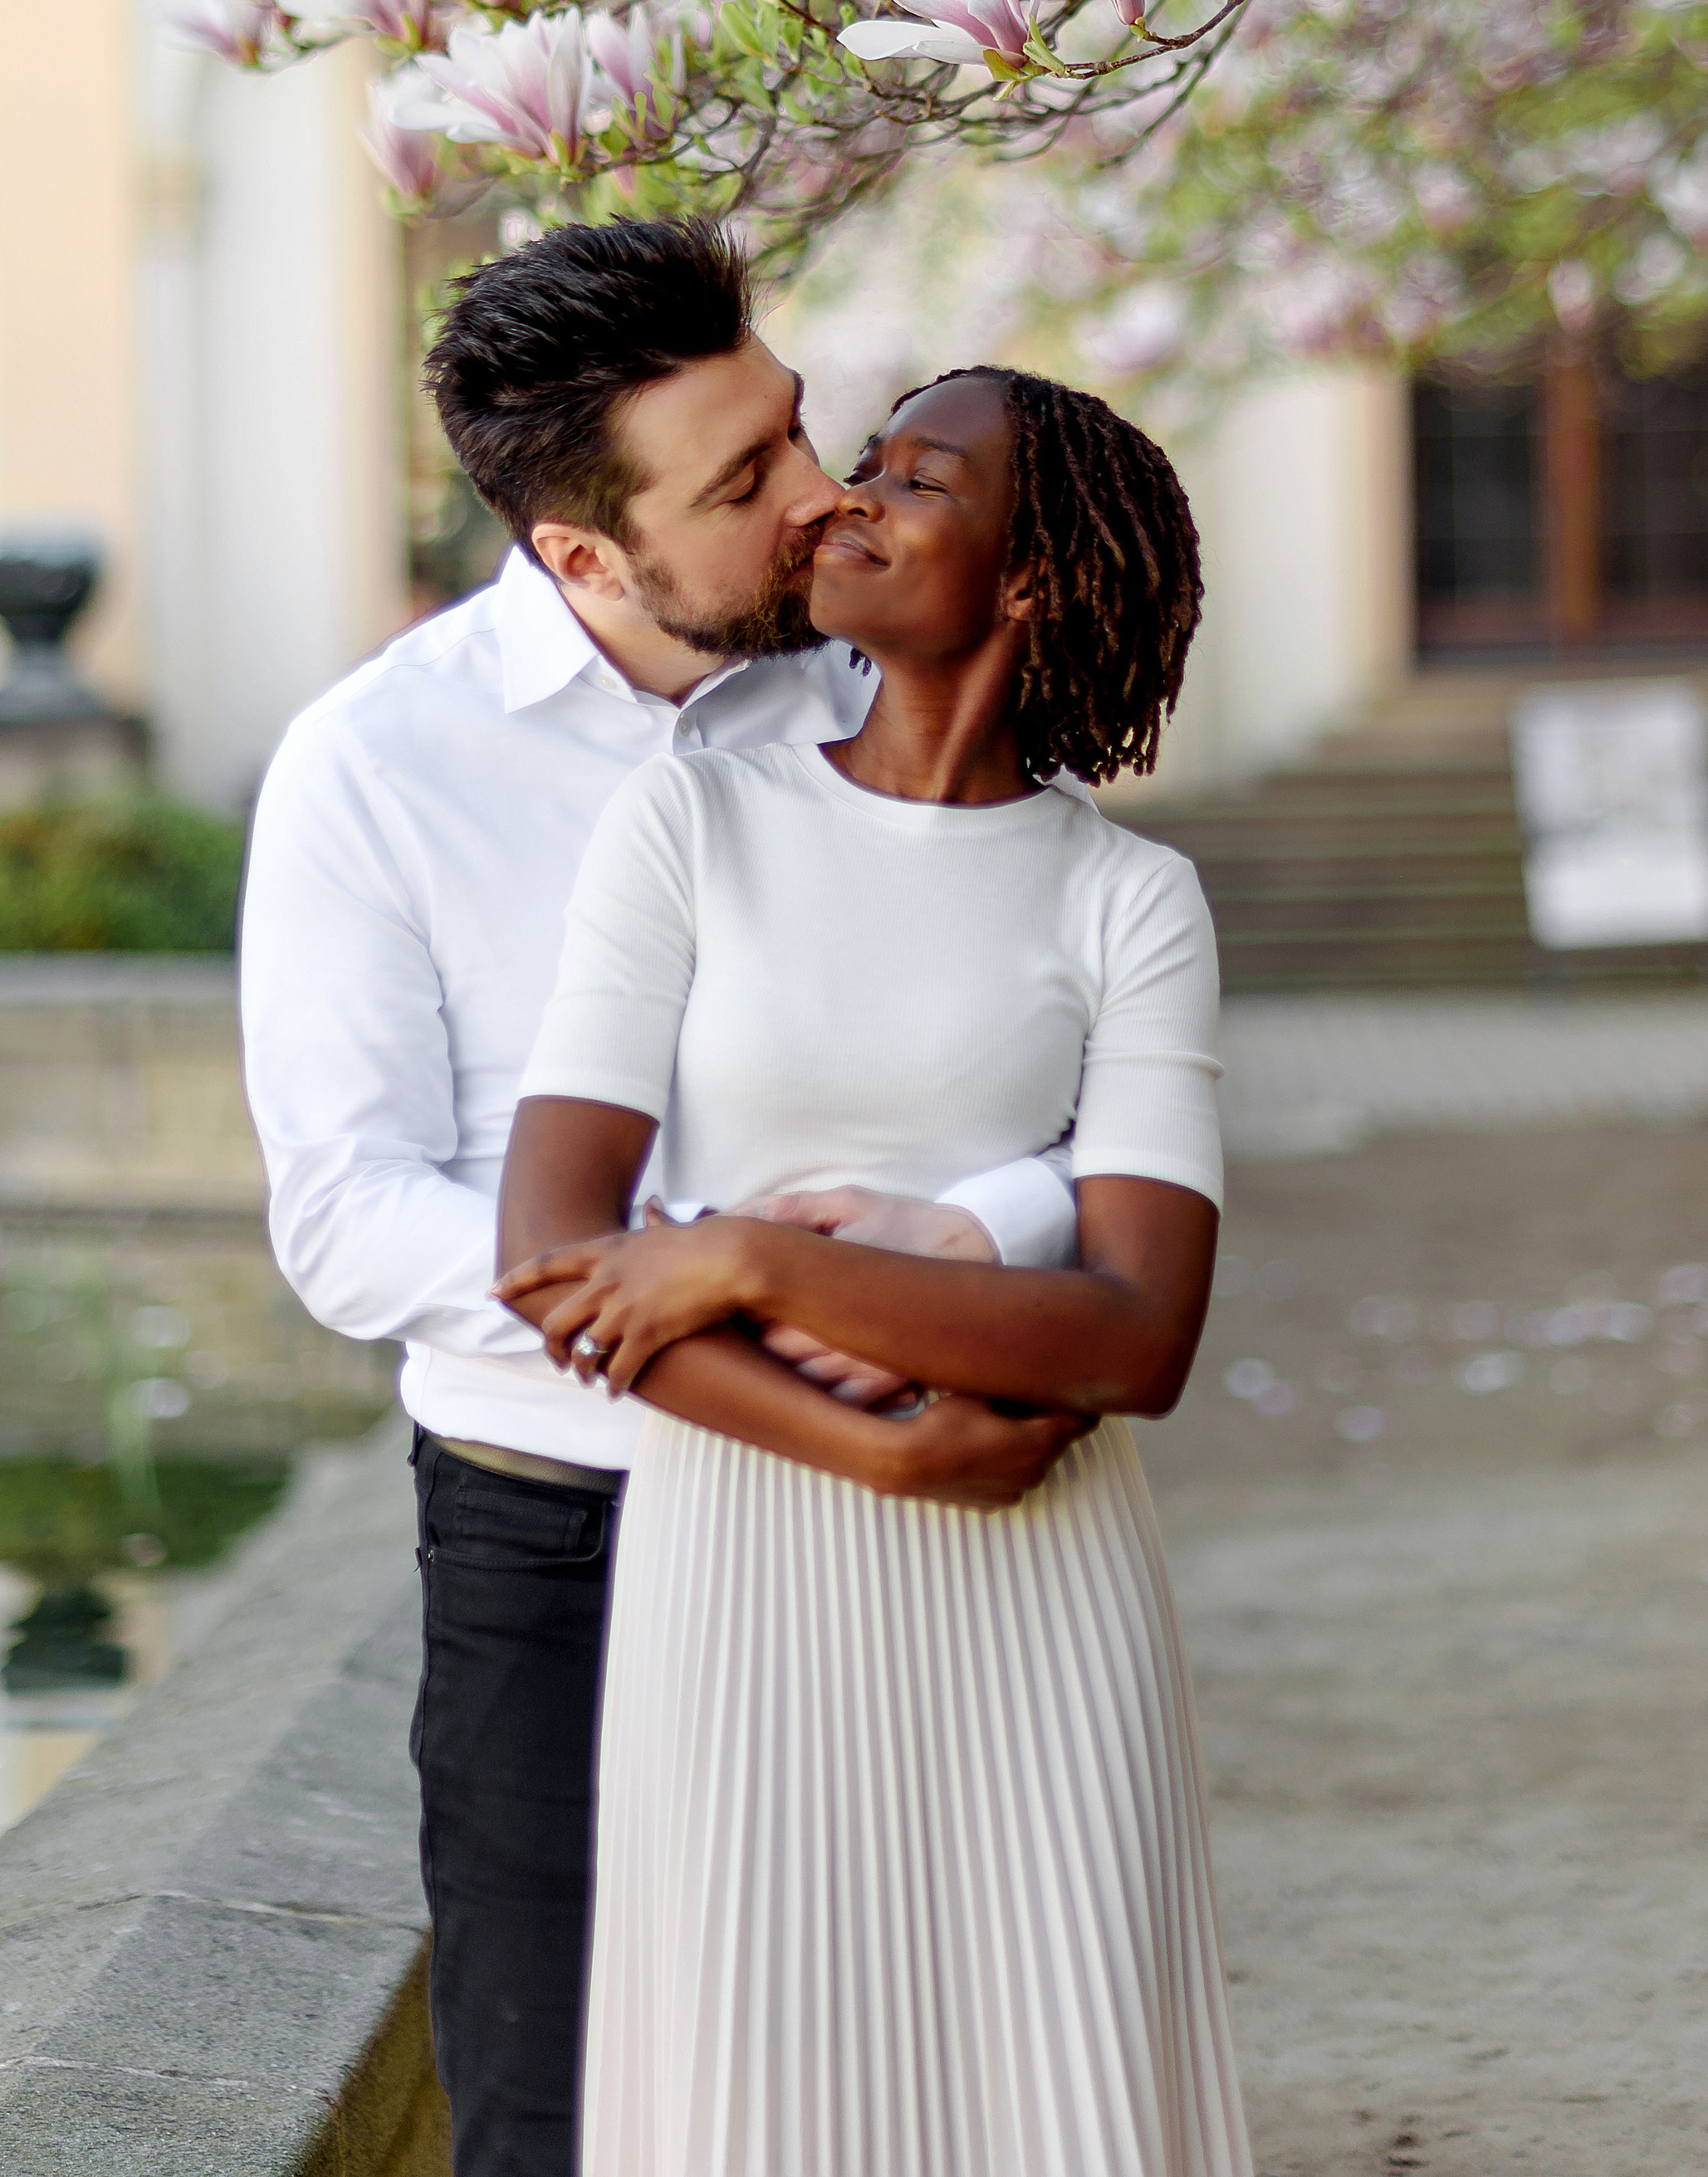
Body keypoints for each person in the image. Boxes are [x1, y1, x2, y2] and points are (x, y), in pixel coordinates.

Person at [237, 222, 1084, 2177]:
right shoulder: (372, 772)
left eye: (796, 430)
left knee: (910, 2105)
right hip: (565, 1556)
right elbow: (350, 1214)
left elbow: (1082, 1103)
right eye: (742, 483)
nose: (821, 499)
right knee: (564, 2128)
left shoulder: (910, 683)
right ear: (582, 557)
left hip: (904, 1505)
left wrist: (975, 1242)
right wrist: (702, 1296)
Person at [498, 364, 1253, 2177]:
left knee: (1047, 2074)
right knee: (762, 2081)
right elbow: (551, 1255)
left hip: (1036, 1579)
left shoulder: (1125, 900)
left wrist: (741, 1255)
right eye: (867, 464)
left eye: (917, 482)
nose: (846, 500)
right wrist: (893, 1449)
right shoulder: (691, 822)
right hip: (744, 1532)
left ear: (1029, 581)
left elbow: (1137, 1333)